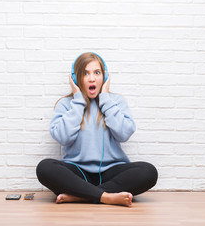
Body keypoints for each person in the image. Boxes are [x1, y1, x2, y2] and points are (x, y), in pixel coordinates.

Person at [36, 52, 158, 207]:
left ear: (104, 77)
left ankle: (82, 196)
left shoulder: (115, 101)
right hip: (77, 172)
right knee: (45, 168)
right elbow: (63, 138)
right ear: (76, 78)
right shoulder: (67, 104)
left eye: (97, 73)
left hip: (112, 171)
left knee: (149, 172)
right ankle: (106, 196)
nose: (92, 78)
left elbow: (124, 133)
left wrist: (105, 99)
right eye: (85, 73)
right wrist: (78, 101)